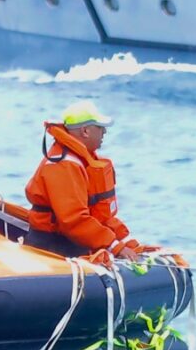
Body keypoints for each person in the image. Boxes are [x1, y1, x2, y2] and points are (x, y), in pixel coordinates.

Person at [24, 101, 146, 258]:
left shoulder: (80, 160)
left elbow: (100, 217)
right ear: (85, 131)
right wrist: (115, 247)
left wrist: (129, 244)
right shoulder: (63, 165)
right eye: (100, 127)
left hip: (74, 242)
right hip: (53, 247)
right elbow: (74, 221)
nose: (104, 132)